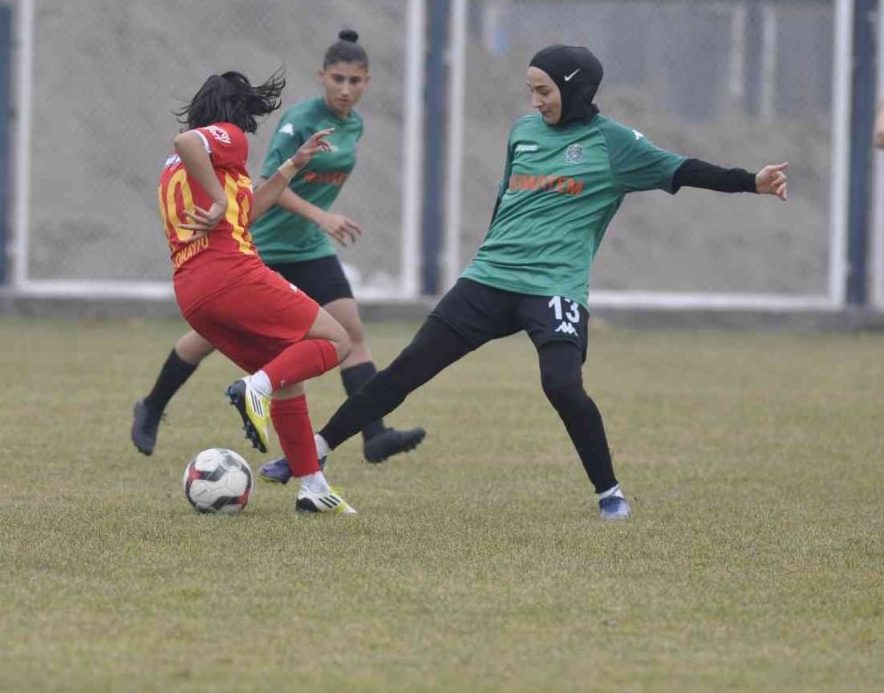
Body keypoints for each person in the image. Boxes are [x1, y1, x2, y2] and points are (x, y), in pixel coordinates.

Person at [304, 44, 789, 520]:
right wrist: (490, 254)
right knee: (408, 368)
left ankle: (610, 493)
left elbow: (682, 169)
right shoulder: (524, 132)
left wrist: (752, 181)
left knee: (562, 385)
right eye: (531, 91)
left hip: (554, 287)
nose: (536, 101)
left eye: (545, 91)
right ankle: (317, 449)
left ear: (575, 90)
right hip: (490, 278)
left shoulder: (613, 143)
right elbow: (505, 200)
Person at [133, 30, 425, 479]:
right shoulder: (262, 129)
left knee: (344, 333)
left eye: (356, 81)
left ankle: (357, 443)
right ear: (322, 77)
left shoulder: (353, 125)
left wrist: (295, 166)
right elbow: (197, 151)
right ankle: (158, 404)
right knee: (308, 346)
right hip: (255, 252)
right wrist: (224, 202)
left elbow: (246, 198)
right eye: (338, 79)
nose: (346, 89)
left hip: (293, 252)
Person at [157, 68, 358, 514]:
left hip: (194, 295)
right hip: (233, 275)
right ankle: (255, 387)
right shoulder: (222, 140)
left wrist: (293, 164)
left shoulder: (182, 172)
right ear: (236, 111)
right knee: (336, 340)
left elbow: (246, 213)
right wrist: (220, 199)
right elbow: (186, 141)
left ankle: (313, 487)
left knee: (287, 377)